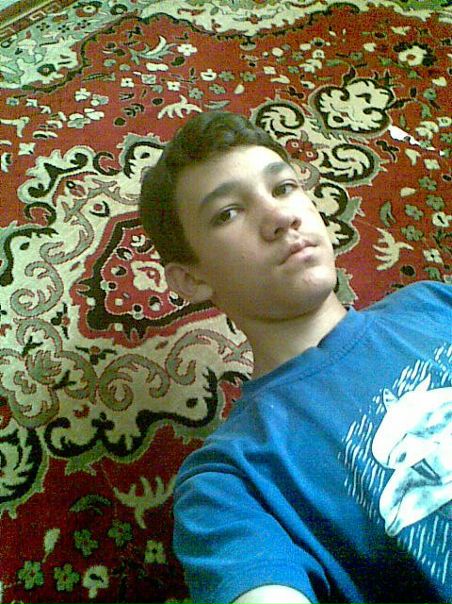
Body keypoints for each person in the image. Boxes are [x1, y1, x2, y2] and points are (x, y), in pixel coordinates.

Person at [139, 111, 451, 604]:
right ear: (191, 279)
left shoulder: (433, 303)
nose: (281, 217)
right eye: (228, 213)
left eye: (283, 187)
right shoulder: (229, 480)